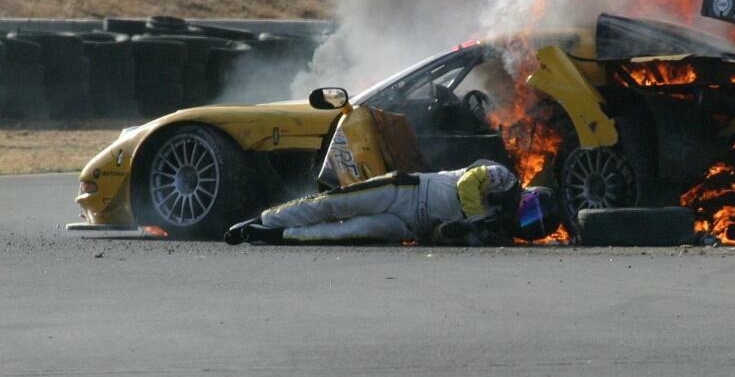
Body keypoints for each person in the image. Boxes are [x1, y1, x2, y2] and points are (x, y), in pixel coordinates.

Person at [224, 159, 560, 246]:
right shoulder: (503, 177)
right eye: (530, 211)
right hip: (406, 190)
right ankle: (264, 221)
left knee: (345, 233)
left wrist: (452, 231)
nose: (523, 220)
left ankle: (274, 237)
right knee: (331, 204)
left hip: (406, 225)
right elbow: (470, 182)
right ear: (526, 196)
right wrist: (475, 218)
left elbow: (439, 237)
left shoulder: (493, 236)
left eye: (531, 225)